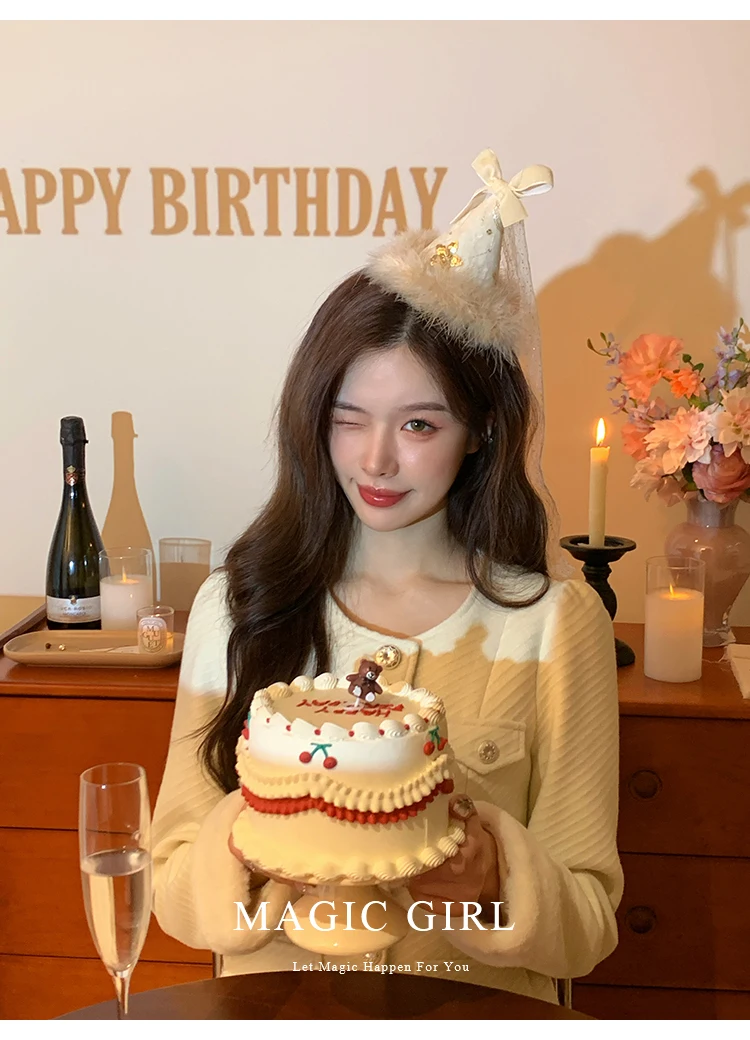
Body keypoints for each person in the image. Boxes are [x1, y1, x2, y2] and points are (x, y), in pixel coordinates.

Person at [151, 150, 623, 1005]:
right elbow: (173, 884)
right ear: (314, 421)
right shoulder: (239, 606)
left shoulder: (556, 623)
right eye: (349, 419)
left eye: (418, 425)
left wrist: (493, 875)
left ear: (479, 431)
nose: (375, 461)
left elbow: (588, 920)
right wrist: (254, 843)